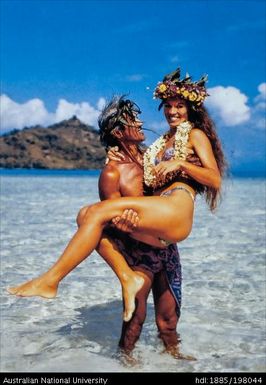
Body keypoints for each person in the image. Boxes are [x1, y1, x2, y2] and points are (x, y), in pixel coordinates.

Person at [8, 67, 226, 350]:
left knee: (92, 213)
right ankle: (137, 360)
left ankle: (51, 280)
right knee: (91, 217)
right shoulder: (157, 148)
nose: (172, 112)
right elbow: (139, 175)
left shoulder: (194, 135)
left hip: (177, 208)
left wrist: (180, 164)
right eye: (168, 106)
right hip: (156, 227)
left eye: (179, 106)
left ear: (190, 108)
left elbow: (215, 179)